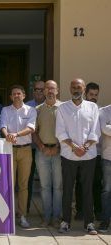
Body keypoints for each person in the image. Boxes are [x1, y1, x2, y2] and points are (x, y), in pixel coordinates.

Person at [56, 78, 100, 235]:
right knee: (67, 189)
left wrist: (85, 147)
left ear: (84, 89)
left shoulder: (93, 107)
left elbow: (95, 131)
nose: (76, 89)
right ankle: (65, 221)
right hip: (68, 155)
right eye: (73, 87)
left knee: (87, 190)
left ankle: (89, 223)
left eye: (79, 87)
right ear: (70, 88)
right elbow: (60, 132)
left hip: (89, 156)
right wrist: (74, 147)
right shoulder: (62, 108)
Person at [0, 84, 37, 228]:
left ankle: (22, 215)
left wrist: (15, 134)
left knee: (23, 185)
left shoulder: (31, 110)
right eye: (14, 94)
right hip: (9, 149)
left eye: (18, 93)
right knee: (9, 184)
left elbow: (31, 128)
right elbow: (2, 125)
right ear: (10, 97)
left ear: (24, 95)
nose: (16, 96)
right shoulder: (5, 110)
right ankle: (8, 215)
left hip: (25, 150)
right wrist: (7, 136)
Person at [32, 80, 62, 227]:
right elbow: (34, 132)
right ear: (43, 91)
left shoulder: (64, 108)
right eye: (47, 89)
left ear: (57, 91)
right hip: (42, 152)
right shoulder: (37, 109)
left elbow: (68, 131)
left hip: (59, 152)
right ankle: (46, 217)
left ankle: (56, 218)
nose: (50, 91)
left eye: (53, 89)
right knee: (45, 186)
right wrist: (42, 147)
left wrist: (58, 147)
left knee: (58, 187)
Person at [75, 82, 101, 220]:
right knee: (80, 182)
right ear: (85, 94)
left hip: (97, 153)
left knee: (96, 183)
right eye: (91, 94)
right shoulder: (81, 109)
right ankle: (80, 211)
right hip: (80, 152)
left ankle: (97, 211)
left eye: (96, 95)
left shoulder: (100, 110)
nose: (94, 97)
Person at [25, 80, 45, 213]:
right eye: (36, 89)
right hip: (30, 148)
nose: (38, 92)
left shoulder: (52, 105)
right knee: (28, 180)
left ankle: (48, 212)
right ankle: (25, 210)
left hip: (47, 148)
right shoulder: (27, 106)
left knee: (47, 182)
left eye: (41, 89)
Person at [98, 104, 111, 232]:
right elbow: (104, 129)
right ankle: (105, 221)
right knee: (107, 191)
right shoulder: (104, 111)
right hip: (108, 157)